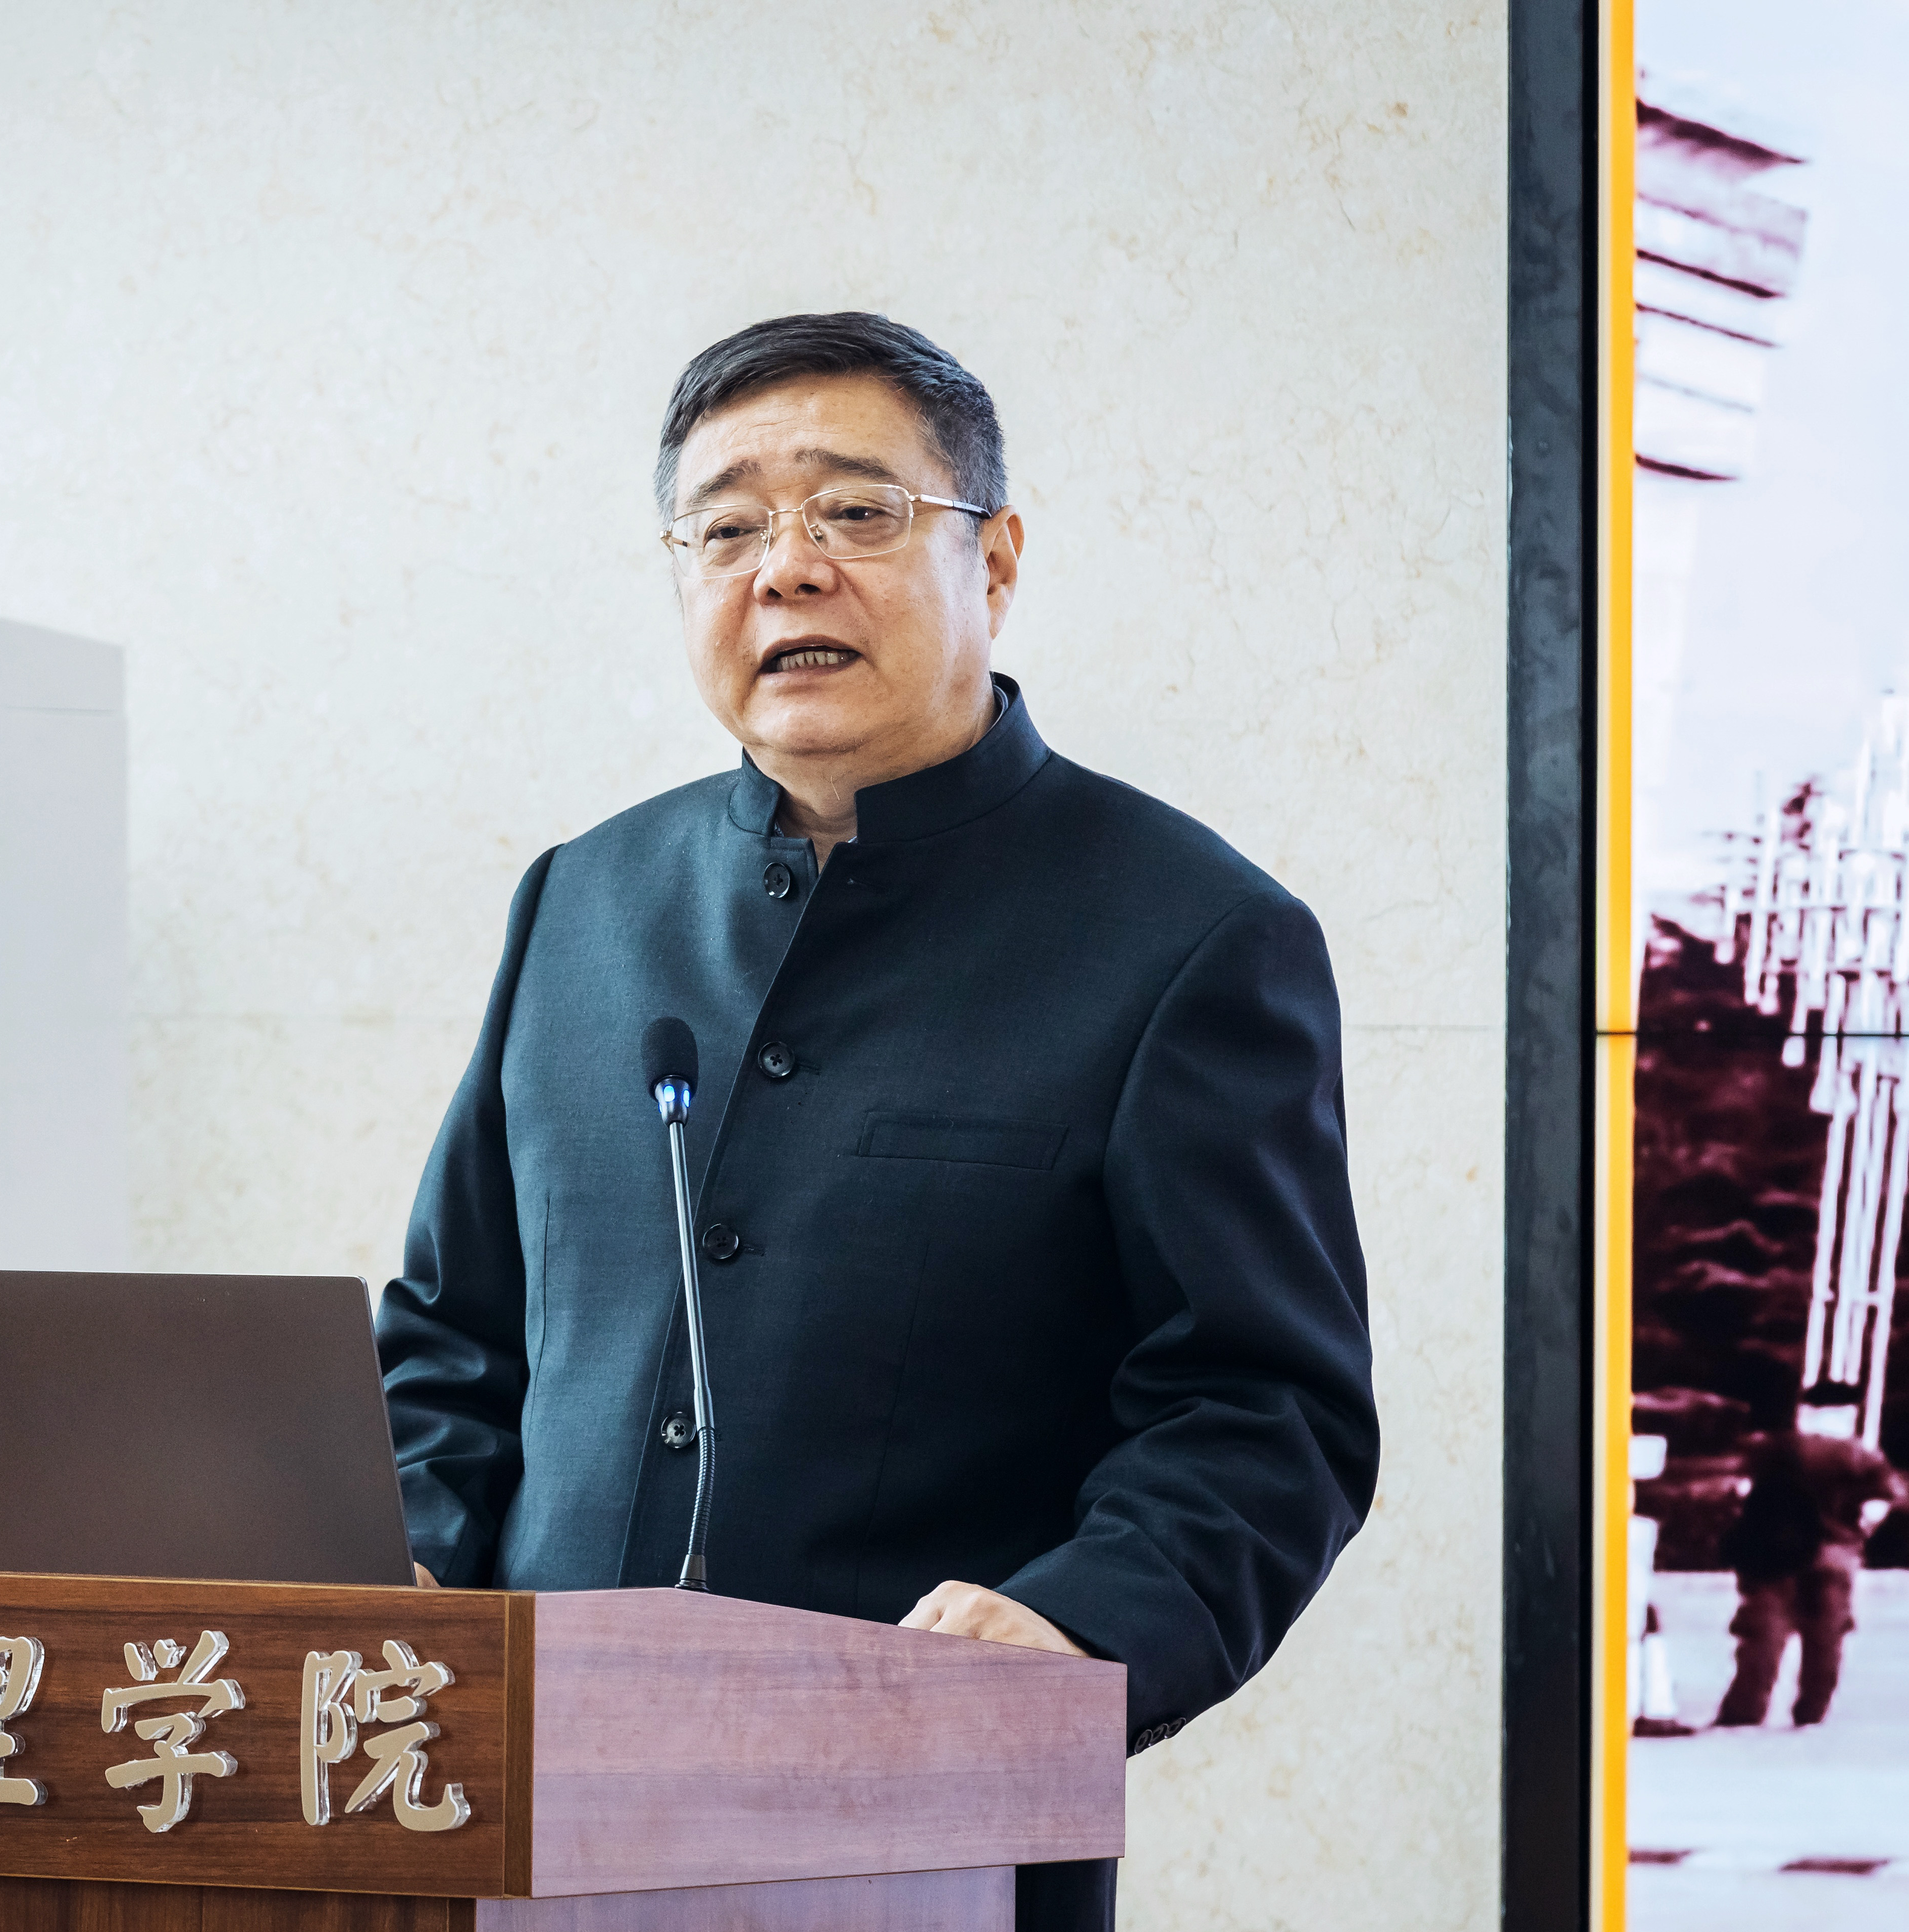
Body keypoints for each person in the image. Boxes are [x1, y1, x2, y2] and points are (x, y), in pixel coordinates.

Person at [375, 313, 1380, 1932]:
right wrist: (409, 1551)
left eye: (855, 510)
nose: (786, 568)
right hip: (510, 1823)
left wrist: (1075, 1627)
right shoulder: (581, 901)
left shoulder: (1188, 937)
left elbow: (1262, 1411)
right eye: (725, 530)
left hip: (915, 1836)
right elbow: (453, 1334)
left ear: (996, 561)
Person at [1712, 1395, 1906, 1728]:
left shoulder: (1771, 1449)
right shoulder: (1859, 1456)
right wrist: (1862, 1527)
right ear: (1848, 1416)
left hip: (1771, 1553)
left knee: (1764, 1633)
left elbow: (1738, 1489)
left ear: (1804, 1414)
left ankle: (1745, 1711)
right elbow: (1886, 1498)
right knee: (1826, 1636)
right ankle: (1811, 1711)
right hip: (1834, 1553)